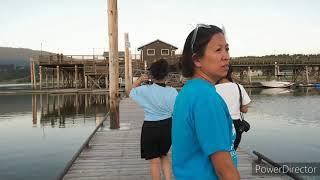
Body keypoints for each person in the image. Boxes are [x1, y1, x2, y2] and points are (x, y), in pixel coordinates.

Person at [172, 24, 240, 180]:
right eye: (218, 50)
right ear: (196, 59)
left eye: (227, 49)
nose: (226, 56)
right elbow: (224, 169)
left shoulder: (188, 91)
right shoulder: (206, 98)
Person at [129, 58, 178, 180]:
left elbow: (129, 91)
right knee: (164, 155)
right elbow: (176, 111)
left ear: (151, 75)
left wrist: (140, 80)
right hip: (167, 126)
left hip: (150, 127)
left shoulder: (145, 90)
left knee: (154, 161)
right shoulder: (172, 92)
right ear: (166, 75)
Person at [216, 66, 251, 150]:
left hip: (218, 122)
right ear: (230, 74)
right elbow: (244, 110)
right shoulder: (239, 87)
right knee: (232, 150)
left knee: (219, 151)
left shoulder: (212, 88)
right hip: (236, 124)